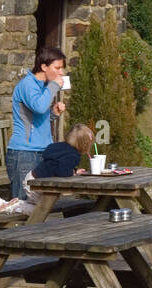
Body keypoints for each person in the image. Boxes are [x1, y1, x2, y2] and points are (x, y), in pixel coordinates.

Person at [7, 46, 67, 201]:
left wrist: (53, 114)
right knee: (21, 203)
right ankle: (0, 211)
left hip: (43, 152)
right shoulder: (28, 84)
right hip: (25, 153)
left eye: (62, 69)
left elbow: (37, 118)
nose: (61, 73)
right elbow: (39, 107)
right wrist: (54, 85)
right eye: (58, 68)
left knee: (41, 204)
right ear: (44, 67)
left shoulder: (43, 86)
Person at [13, 123, 94, 212]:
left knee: (43, 208)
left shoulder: (61, 147)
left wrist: (74, 170)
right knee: (42, 211)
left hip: (32, 178)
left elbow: (57, 165)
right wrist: (71, 172)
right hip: (36, 185)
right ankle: (15, 206)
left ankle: (16, 204)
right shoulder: (73, 155)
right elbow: (63, 171)